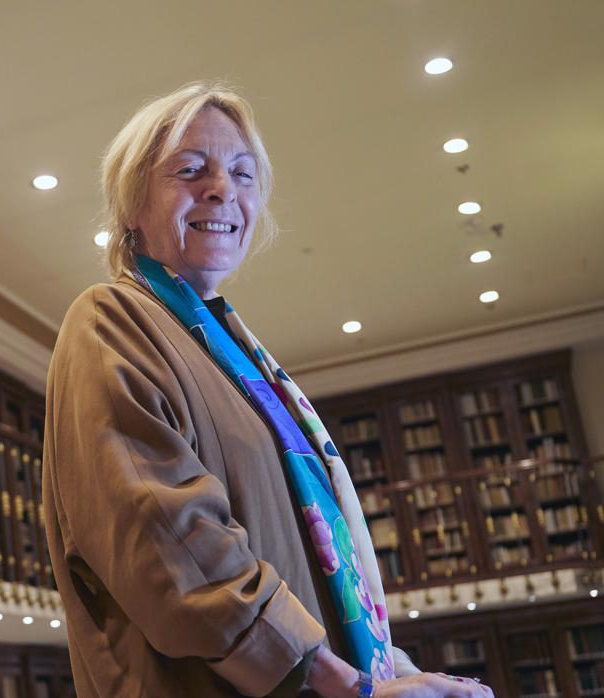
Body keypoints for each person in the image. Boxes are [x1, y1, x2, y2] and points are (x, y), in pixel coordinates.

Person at [41, 82, 494, 698]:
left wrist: (398, 674)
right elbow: (172, 542)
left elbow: (308, 561)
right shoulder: (110, 319)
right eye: (190, 169)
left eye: (242, 173)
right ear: (130, 206)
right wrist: (342, 682)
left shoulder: (233, 353)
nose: (223, 188)